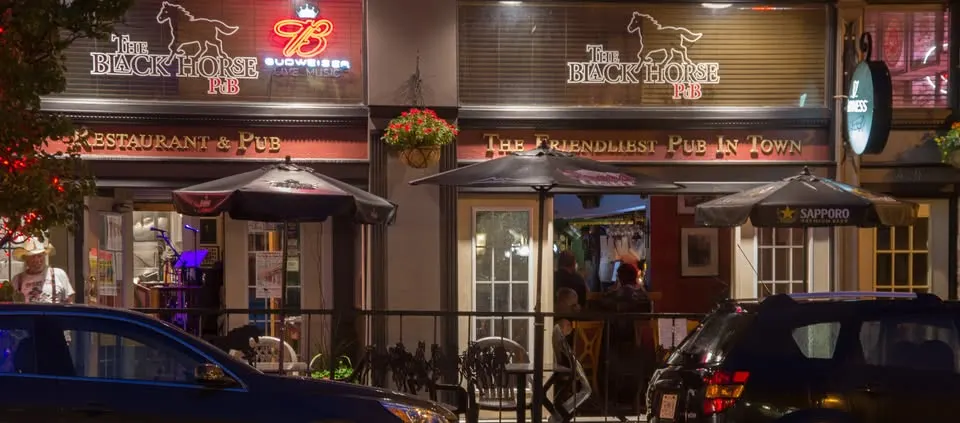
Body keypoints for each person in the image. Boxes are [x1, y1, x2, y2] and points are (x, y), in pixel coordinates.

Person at [12, 238, 75, 304]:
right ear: (26, 259)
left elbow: (69, 302)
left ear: (44, 256)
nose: (37, 260)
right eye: (33, 256)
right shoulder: (18, 280)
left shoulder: (59, 274)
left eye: (39, 256)